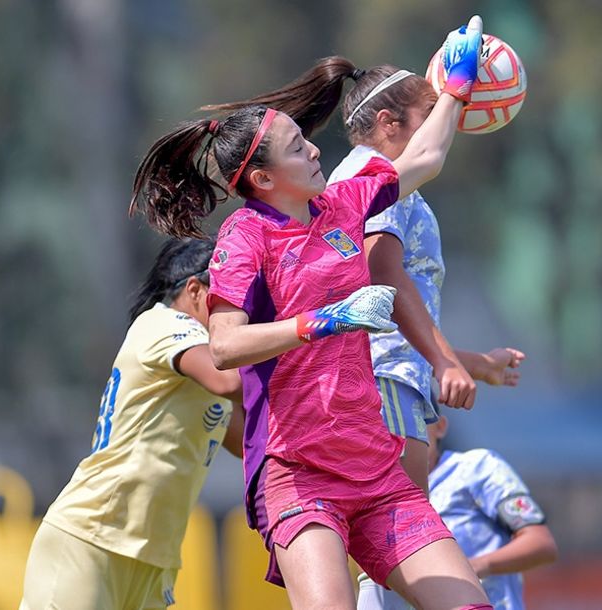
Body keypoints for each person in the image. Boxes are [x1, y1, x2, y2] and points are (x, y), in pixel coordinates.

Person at [128, 15, 495, 610]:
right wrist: (326, 319)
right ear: (264, 178)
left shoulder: (342, 204)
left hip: (376, 471)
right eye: (299, 148)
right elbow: (224, 347)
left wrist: (454, 88)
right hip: (300, 476)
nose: (317, 148)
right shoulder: (244, 239)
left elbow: (424, 156)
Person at [20, 237, 245, 610]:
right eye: (231, 294)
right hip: (90, 541)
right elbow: (233, 381)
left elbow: (247, 443)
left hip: (154, 562)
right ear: (194, 290)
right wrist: (296, 335)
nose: (240, 309)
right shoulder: (162, 324)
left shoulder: (205, 364)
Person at [358, 415, 558, 610]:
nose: (405, 433)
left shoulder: (477, 468)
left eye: (418, 420)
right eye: (389, 424)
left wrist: (475, 567)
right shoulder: (375, 495)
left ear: (441, 426)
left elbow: (541, 543)